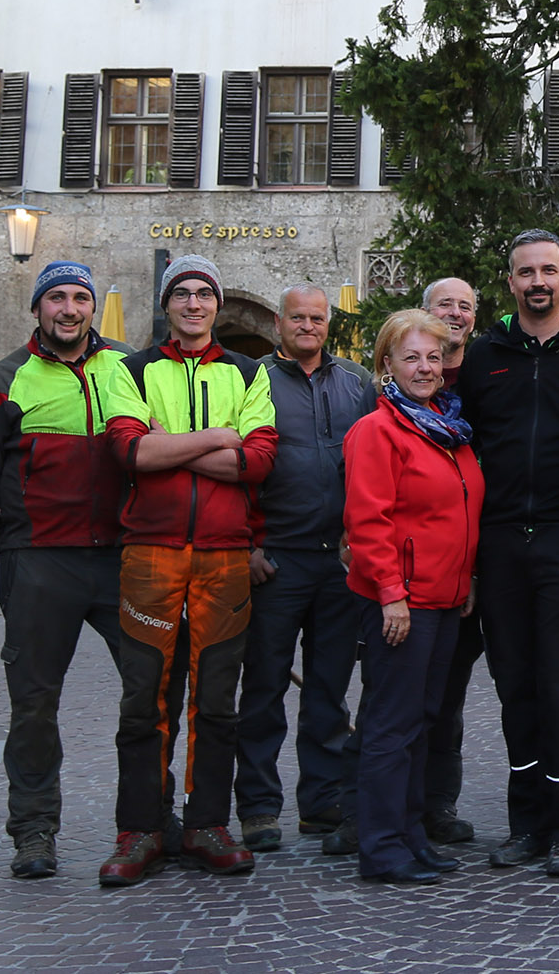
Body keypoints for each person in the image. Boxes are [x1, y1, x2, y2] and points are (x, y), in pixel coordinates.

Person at [0, 261, 147, 881]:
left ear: (96, 308)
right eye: (57, 298)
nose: (69, 308)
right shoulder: (6, 380)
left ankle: (148, 821)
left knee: (152, 692)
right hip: (35, 560)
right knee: (34, 704)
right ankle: (34, 831)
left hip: (122, 558)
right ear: (38, 309)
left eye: (80, 298)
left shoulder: (128, 368)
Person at [103, 256, 279, 886]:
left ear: (217, 305)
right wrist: (219, 436)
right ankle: (141, 829)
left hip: (225, 554)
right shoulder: (134, 369)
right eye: (183, 293)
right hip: (151, 550)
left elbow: (257, 462)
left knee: (217, 700)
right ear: (168, 305)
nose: (195, 303)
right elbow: (128, 449)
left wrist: (171, 445)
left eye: (205, 293)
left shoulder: (247, 372)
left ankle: (207, 822)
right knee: (144, 698)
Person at [461, 231, 559, 879]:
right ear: (510, 281)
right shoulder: (482, 356)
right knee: (516, 687)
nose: (537, 280)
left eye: (549, 269)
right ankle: (526, 822)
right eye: (525, 270)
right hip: (498, 540)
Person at [345, 309, 485, 884]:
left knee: (424, 720)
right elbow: (368, 522)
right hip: (403, 601)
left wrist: (467, 578)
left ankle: (411, 833)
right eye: (412, 358)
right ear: (387, 366)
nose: (425, 368)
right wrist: (390, 594)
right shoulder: (378, 431)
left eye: (433, 357)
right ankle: (380, 846)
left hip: (446, 598)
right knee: (391, 724)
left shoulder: (446, 427)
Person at [235, 285, 377, 858]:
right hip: (276, 558)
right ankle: (259, 807)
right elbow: (239, 464)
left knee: (328, 691)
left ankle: (321, 803)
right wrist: (248, 544)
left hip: (337, 561)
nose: (309, 326)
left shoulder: (356, 383)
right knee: (264, 688)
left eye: (318, 318)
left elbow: (371, 463)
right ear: (278, 322)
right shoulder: (253, 381)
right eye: (299, 317)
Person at [417, 276, 484, 847]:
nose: (456, 313)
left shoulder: (487, 370)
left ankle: (438, 802)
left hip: (487, 557)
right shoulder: (406, 383)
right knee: (410, 691)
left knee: (451, 691)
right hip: (423, 565)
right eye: (446, 304)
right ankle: (378, 804)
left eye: (466, 305)